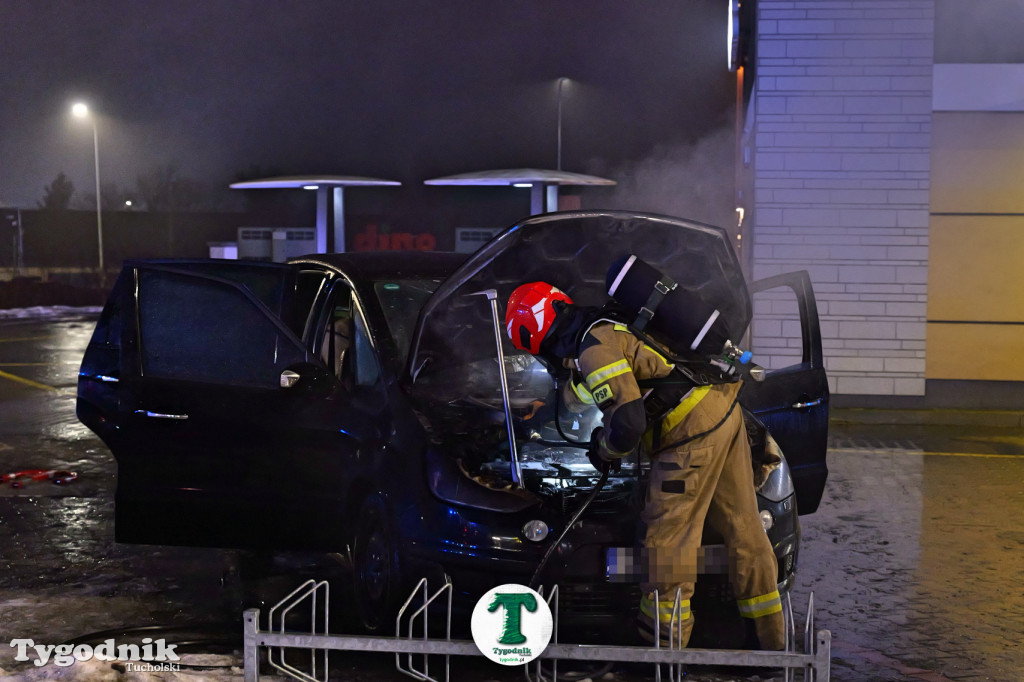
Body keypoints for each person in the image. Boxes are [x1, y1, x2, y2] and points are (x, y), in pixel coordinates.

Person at [505, 281, 785, 650]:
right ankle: (771, 644)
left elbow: (629, 422)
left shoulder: (594, 347)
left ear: (533, 335)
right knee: (744, 527)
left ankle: (663, 655)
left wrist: (605, 451)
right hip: (722, 410)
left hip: (690, 435)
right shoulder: (608, 324)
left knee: (667, 544)